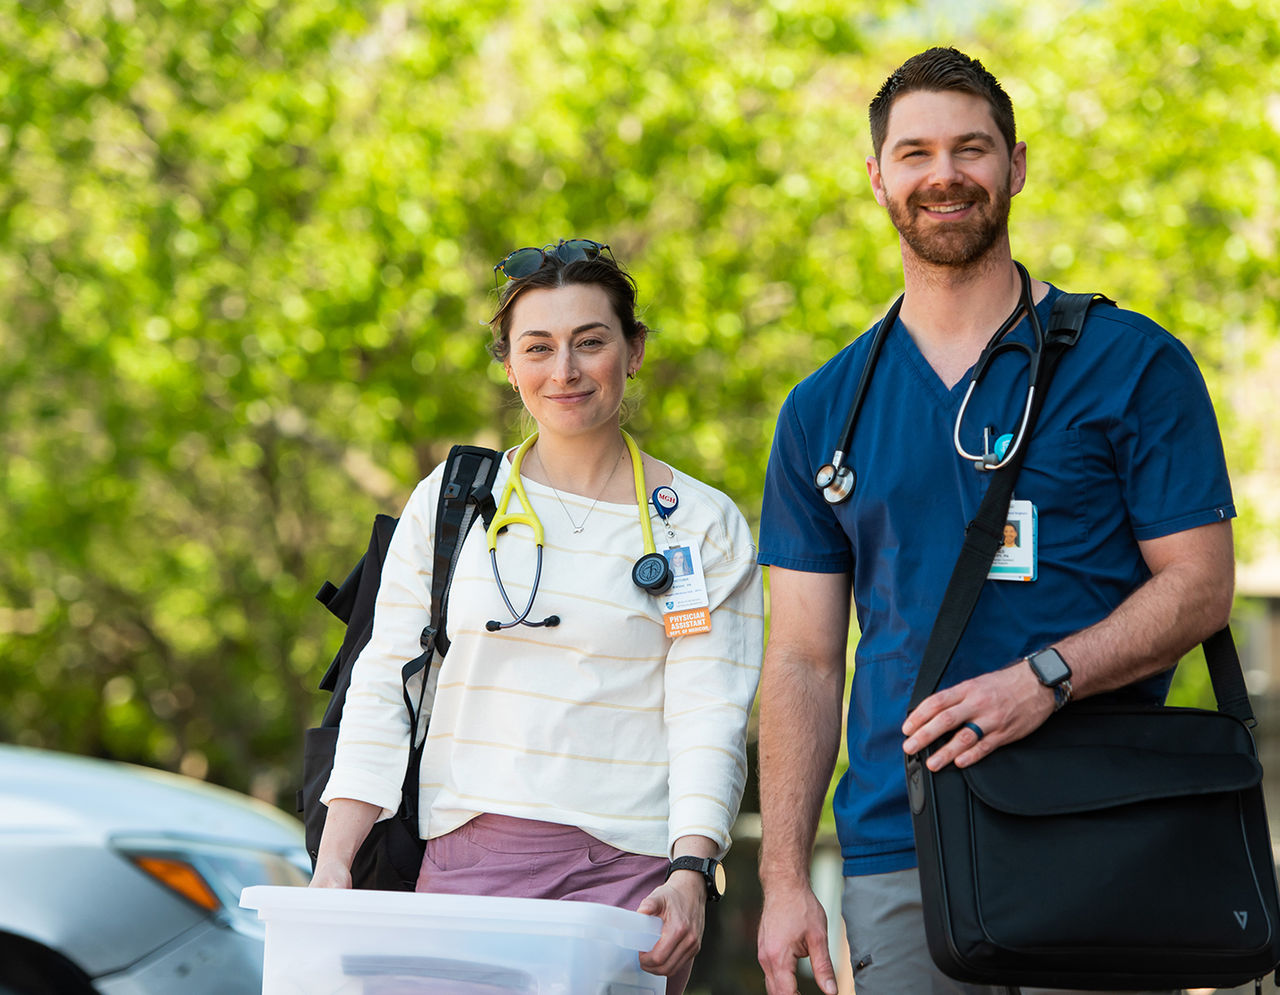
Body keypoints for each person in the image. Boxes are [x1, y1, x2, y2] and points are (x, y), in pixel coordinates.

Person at [755, 47, 1234, 995]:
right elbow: (805, 657)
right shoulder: (824, 408)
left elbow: (1202, 587)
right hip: (900, 846)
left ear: (1015, 166)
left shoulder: (1132, 364)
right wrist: (780, 878)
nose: (944, 175)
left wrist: (1046, 678)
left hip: (1098, 826)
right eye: (916, 152)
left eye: (971, 149)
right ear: (878, 177)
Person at [311, 239, 764, 993]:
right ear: (508, 361)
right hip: (469, 863)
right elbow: (387, 685)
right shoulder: (453, 503)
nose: (565, 370)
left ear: (635, 348)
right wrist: (333, 864)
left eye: (591, 342)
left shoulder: (698, 525)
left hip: (633, 878)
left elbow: (707, 711)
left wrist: (691, 866)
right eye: (539, 347)